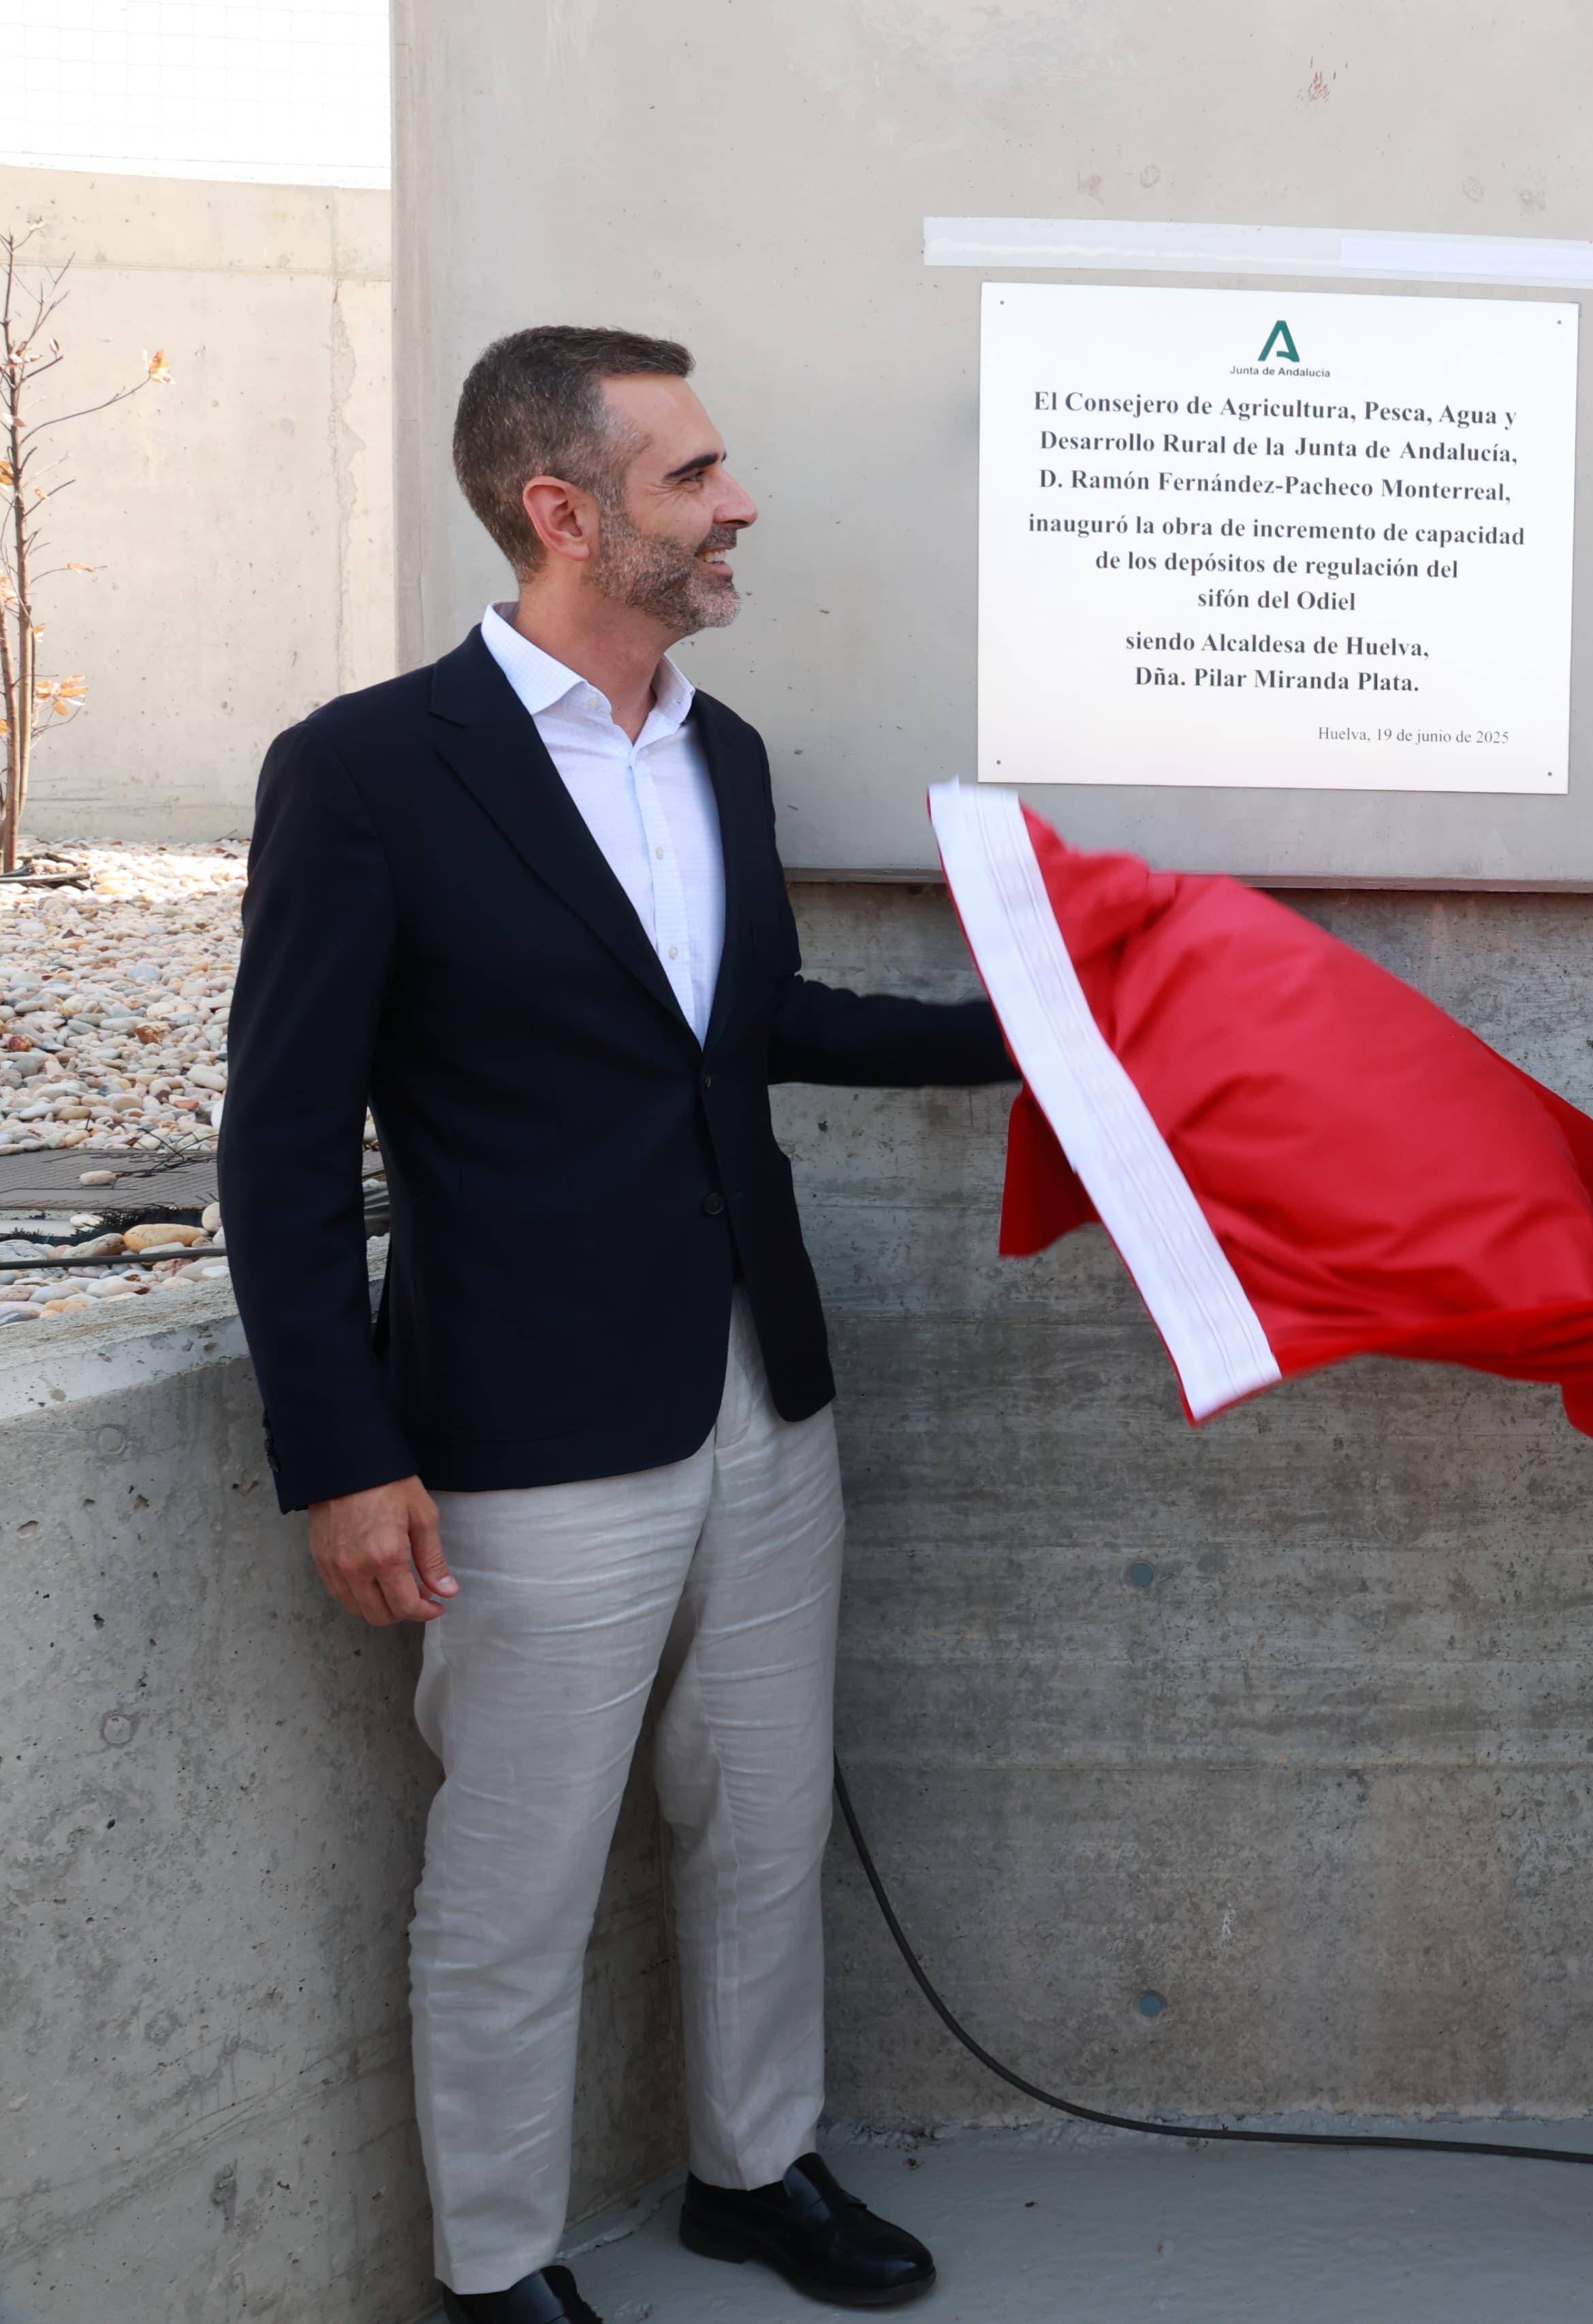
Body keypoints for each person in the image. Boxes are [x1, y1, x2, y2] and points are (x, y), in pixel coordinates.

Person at [222, 326, 1014, 2324]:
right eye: (694, 475)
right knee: (518, 1877)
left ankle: (756, 2170)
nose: (738, 501)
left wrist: (1055, 1047)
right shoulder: (371, 772)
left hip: (764, 1387)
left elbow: (751, 1034)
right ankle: (497, 2266)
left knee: (761, 1825)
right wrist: (339, 1449)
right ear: (561, 512)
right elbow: (284, 1147)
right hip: (521, 1426)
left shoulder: (720, 750)